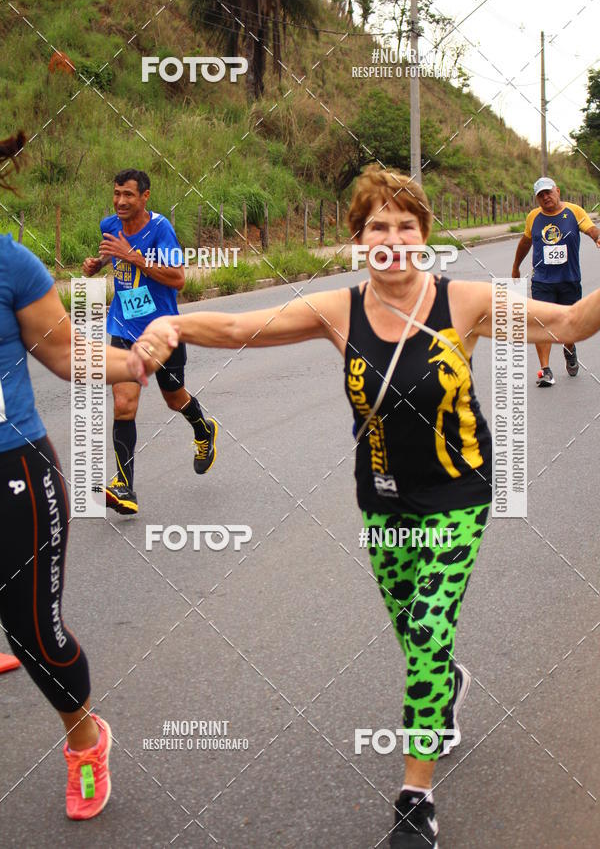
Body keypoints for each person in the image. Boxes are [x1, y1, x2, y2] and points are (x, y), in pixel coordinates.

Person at [140, 164, 600, 847]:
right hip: (382, 500)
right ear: (358, 238)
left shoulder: (464, 301)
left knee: (427, 632)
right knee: (412, 628)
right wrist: (171, 328)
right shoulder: (340, 309)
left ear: (423, 236)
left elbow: (566, 321)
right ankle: (445, 686)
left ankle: (416, 799)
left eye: (404, 226)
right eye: (376, 226)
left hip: (458, 492)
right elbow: (242, 329)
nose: (390, 238)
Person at [0, 131, 178, 820]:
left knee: (36, 637)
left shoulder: (10, 262)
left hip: (12, 468)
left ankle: (84, 740)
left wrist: (135, 364)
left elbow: (70, 356)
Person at [82, 169, 217, 515]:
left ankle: (204, 429)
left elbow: (179, 279)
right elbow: (113, 253)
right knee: (124, 404)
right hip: (125, 327)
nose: (121, 201)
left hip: (162, 330)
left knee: (174, 399)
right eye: (116, 194)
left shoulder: (161, 230)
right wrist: (99, 264)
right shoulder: (109, 224)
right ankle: (124, 485)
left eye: (128, 195)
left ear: (145, 196)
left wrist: (136, 258)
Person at [512, 176, 600, 386]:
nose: (545, 197)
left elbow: (590, 228)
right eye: (540, 195)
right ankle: (545, 370)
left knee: (568, 325)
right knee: (541, 324)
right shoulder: (533, 217)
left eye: (548, 192)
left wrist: (597, 237)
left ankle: (569, 350)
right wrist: (516, 267)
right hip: (542, 281)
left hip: (569, 280)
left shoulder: (574, 211)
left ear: (557, 191)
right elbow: (525, 242)